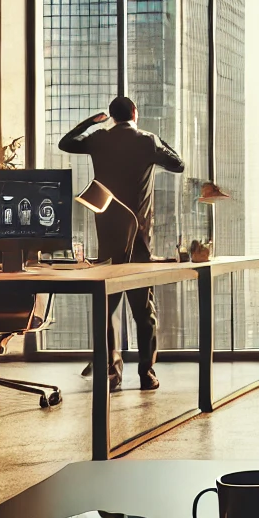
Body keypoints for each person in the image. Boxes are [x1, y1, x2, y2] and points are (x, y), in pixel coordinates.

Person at [59, 95, 184, 392]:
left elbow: (67, 142)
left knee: (108, 310)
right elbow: (178, 164)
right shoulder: (146, 141)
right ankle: (146, 373)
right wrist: (157, 138)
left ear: (112, 117)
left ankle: (112, 373)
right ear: (135, 114)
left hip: (108, 238)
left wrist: (92, 122)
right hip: (140, 242)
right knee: (144, 312)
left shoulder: (99, 139)